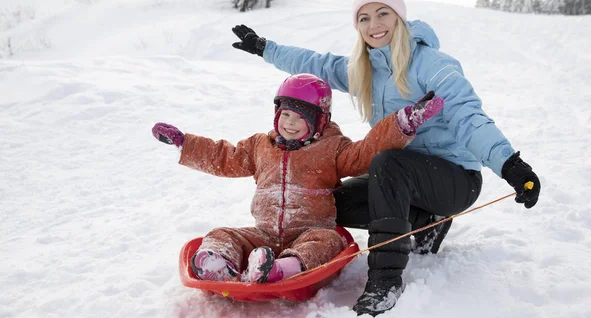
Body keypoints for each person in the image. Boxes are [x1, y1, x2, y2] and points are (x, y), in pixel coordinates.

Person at [230, 0, 541, 316]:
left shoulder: (432, 64)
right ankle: (427, 220)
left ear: (399, 18)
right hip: (403, 178)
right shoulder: (366, 67)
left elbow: (469, 117)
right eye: (364, 18)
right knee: (330, 203)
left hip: (455, 179)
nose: (374, 25)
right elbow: (317, 63)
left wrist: (510, 165)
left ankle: (386, 280)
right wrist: (265, 48)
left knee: (388, 163)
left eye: (382, 14)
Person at [152, 73, 444, 285]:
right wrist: (185, 144)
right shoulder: (259, 146)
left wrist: (402, 123)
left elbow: (365, 153)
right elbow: (224, 156)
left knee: (330, 242)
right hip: (263, 234)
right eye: (285, 114)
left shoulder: (332, 148)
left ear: (319, 122)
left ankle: (280, 270)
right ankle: (219, 264)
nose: (289, 123)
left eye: (300, 117)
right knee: (222, 233)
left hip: (310, 230)